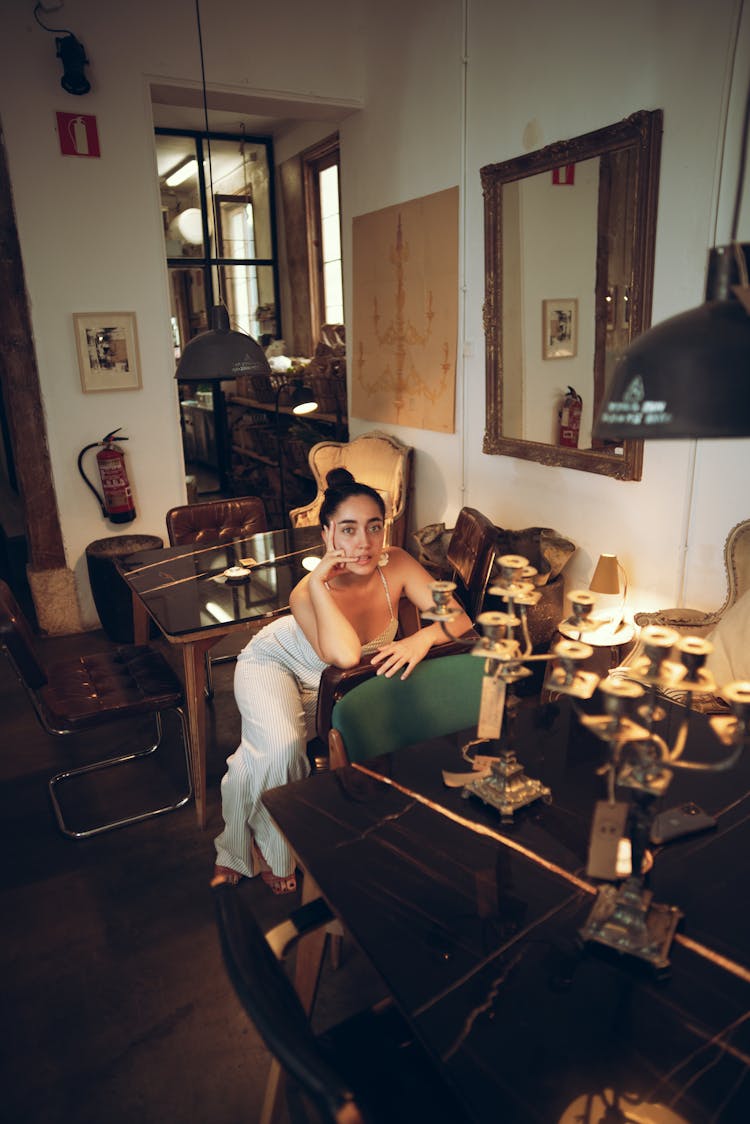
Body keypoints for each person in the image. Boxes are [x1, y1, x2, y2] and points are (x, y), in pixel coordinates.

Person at [212, 468, 472, 892]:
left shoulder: (400, 563)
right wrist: (317, 580)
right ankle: (258, 851)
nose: (364, 543)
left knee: (262, 757)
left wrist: (421, 639)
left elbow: (457, 616)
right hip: (274, 663)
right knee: (280, 748)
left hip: (335, 685)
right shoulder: (305, 592)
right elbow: (347, 655)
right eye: (348, 530)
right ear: (327, 533)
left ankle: (242, 840)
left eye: (374, 527)